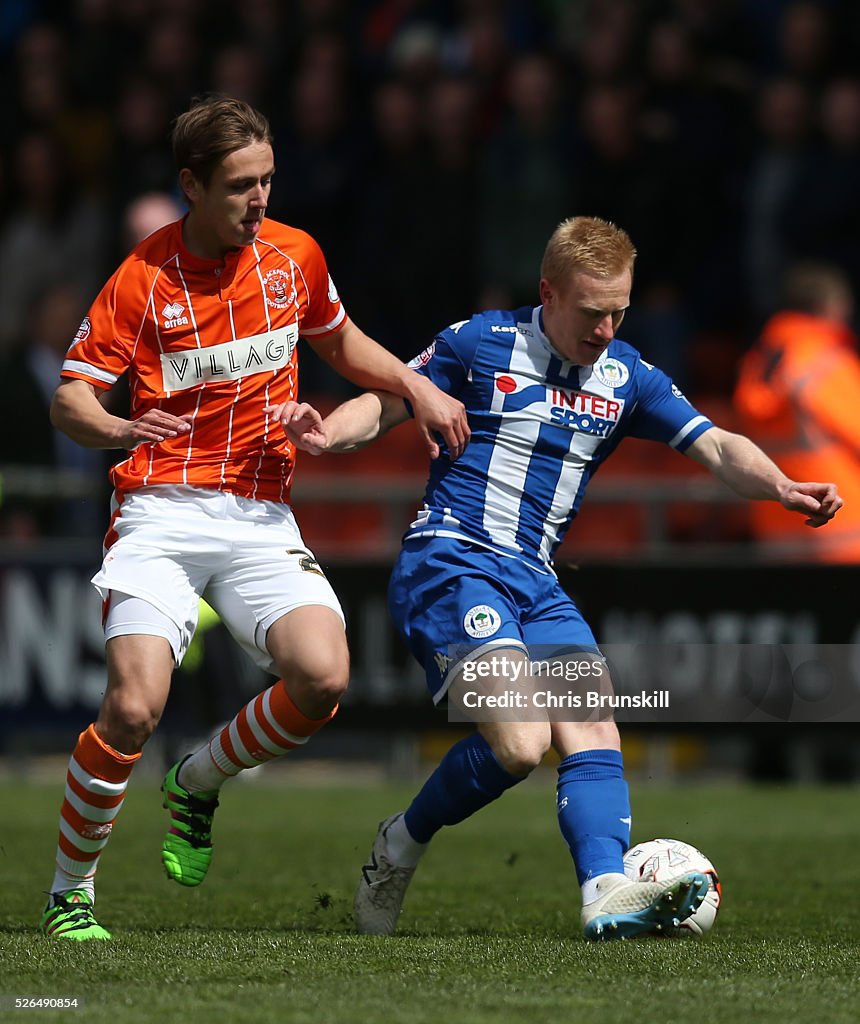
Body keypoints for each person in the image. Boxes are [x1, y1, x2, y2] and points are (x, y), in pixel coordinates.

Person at [271, 216, 843, 941]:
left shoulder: (627, 376)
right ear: (549, 292)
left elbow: (719, 445)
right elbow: (388, 401)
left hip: (535, 581)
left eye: (619, 313)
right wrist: (329, 430)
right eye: (591, 311)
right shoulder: (478, 342)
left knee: (595, 728)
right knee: (519, 745)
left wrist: (785, 486)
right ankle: (399, 844)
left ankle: (604, 894)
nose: (606, 329)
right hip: (453, 560)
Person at [39, 95, 468, 942]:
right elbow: (68, 399)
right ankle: (69, 894)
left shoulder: (293, 256)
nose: (260, 200)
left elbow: (340, 344)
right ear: (191, 185)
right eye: (241, 186)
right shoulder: (144, 276)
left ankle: (197, 781)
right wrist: (121, 425)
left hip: (260, 514)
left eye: (268, 180)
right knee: (131, 708)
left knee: (324, 679)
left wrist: (413, 385)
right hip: (159, 508)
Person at [735, 261, 860, 562]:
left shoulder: (760, 360)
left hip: (777, 526)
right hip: (842, 528)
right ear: (830, 306)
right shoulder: (823, 359)